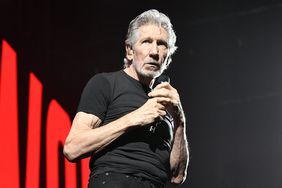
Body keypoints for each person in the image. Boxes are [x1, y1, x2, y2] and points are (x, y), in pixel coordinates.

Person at [63, 9, 189, 188]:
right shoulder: (106, 83)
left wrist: (180, 119)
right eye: (146, 42)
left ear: (168, 58)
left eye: (162, 44)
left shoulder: (166, 105)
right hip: (114, 180)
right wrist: (135, 118)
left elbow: (177, 176)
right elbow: (72, 148)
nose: (154, 51)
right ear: (129, 50)